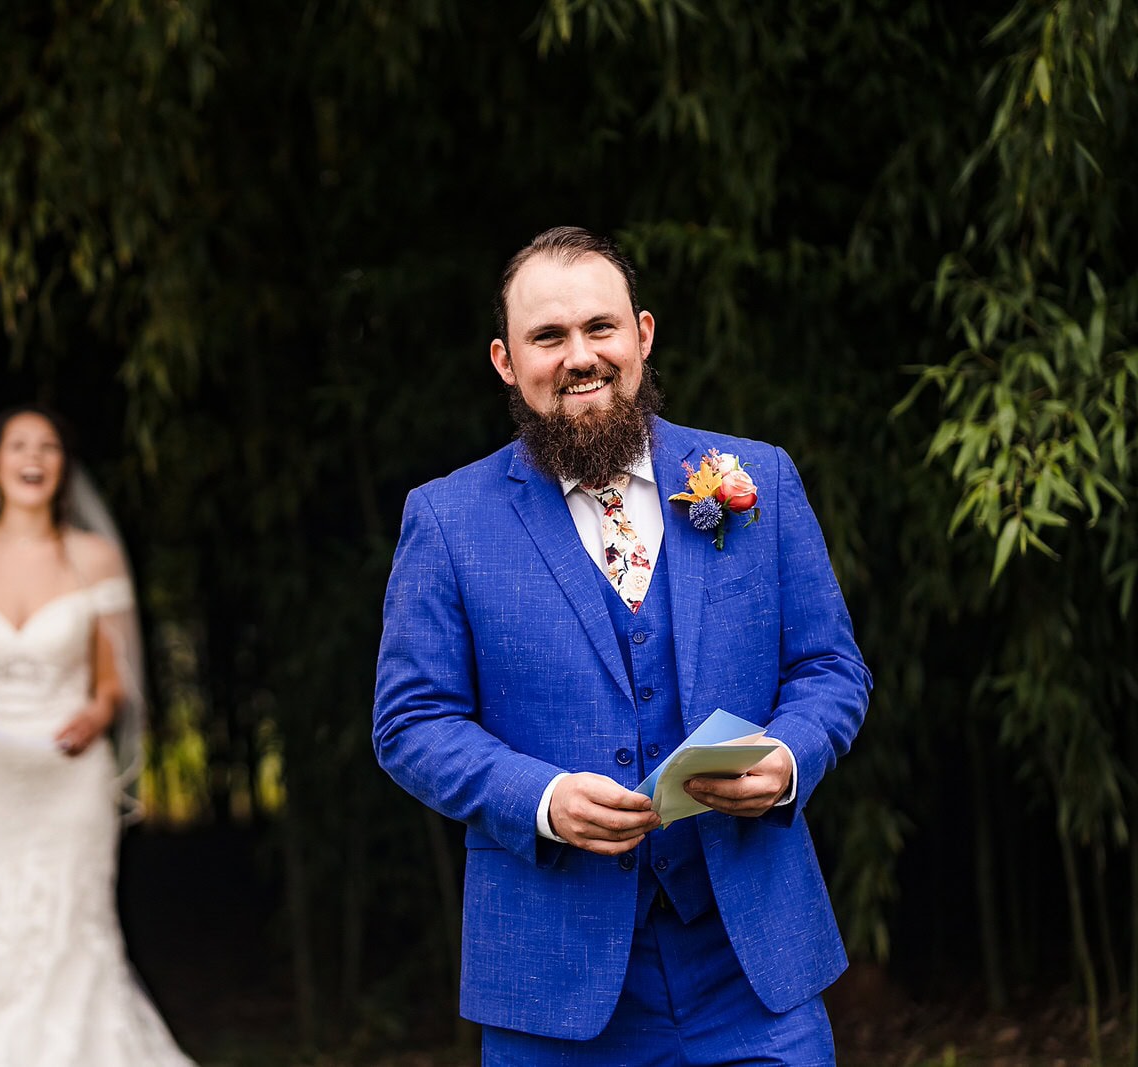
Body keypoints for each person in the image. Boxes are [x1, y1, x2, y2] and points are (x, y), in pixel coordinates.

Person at [373, 226, 872, 1065]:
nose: (580, 356)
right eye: (548, 336)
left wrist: (787, 756)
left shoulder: (761, 478)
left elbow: (831, 668)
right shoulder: (447, 520)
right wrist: (541, 798)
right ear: (505, 359)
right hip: (553, 981)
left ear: (641, 334)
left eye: (600, 328)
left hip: (753, 970)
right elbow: (411, 722)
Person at [0, 405, 195, 1067]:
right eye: (20, 445)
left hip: (67, 778)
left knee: (74, 937)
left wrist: (95, 713)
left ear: (63, 467)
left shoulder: (94, 557)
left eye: (49, 446)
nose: (35, 457)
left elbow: (115, 679)